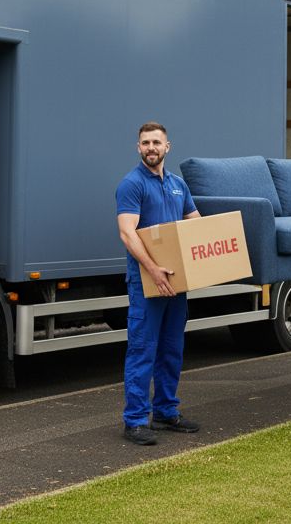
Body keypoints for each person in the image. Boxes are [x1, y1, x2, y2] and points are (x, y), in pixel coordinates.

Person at [115, 121, 202, 445]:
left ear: (168, 147)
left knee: (171, 349)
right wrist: (152, 268)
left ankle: (165, 412)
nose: (151, 147)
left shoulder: (178, 184)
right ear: (138, 148)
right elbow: (127, 232)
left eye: (156, 142)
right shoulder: (131, 184)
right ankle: (135, 420)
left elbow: (195, 224)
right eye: (145, 143)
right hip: (147, 283)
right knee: (143, 350)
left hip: (176, 282)